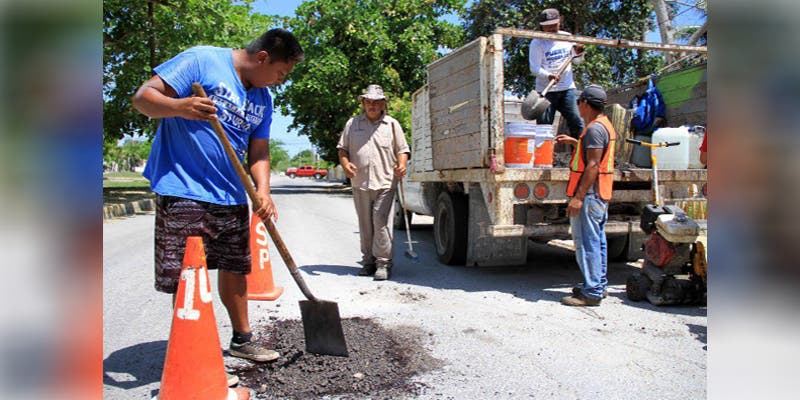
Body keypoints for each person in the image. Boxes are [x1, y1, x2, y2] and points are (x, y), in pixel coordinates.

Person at [132, 29, 304, 367]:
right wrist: (179, 106)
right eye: (280, 73)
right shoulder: (202, 60)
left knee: (235, 268)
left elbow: (259, 150)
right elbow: (142, 98)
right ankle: (191, 353)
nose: (280, 81)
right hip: (183, 188)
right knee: (188, 274)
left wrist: (263, 191)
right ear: (263, 58)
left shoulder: (263, 99)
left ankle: (243, 340)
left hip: (230, 193)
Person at [337, 85, 410, 281]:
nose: (372, 105)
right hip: (360, 181)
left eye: (376, 102)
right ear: (363, 103)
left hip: (385, 181)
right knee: (365, 224)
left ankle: (383, 263)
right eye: (368, 101)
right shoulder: (352, 124)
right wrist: (345, 164)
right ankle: (368, 261)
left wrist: (402, 164)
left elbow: (402, 149)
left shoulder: (392, 124)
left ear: (383, 103)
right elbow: (342, 149)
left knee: (380, 220)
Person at [554, 84, 617, 306]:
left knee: (587, 244)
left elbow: (593, 165)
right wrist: (574, 142)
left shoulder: (594, 129)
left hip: (589, 195)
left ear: (586, 104)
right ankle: (598, 285)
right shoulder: (604, 125)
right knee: (598, 242)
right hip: (600, 193)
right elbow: (594, 152)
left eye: (579, 102)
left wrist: (578, 198)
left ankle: (591, 293)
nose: (578, 107)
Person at [529, 7, 586, 138]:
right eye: (547, 26)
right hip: (546, 91)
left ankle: (578, 149)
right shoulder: (537, 43)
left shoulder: (567, 38)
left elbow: (577, 61)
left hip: (567, 88)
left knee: (577, 123)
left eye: (554, 24)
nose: (551, 28)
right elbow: (534, 68)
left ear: (559, 22)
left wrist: (579, 53)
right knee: (544, 127)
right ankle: (544, 151)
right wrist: (548, 75)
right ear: (542, 26)